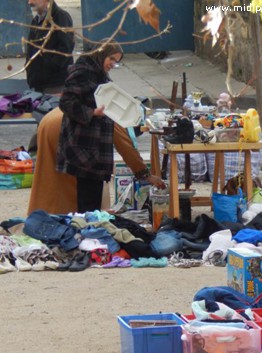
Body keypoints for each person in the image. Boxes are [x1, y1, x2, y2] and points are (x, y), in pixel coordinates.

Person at [56, 40, 165, 213]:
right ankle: (88, 234)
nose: (114, 64)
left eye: (117, 61)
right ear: (100, 54)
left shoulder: (99, 74)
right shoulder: (82, 73)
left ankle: (90, 231)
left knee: (92, 201)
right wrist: (92, 113)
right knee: (88, 202)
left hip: (95, 149)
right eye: (112, 59)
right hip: (84, 147)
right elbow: (66, 102)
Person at [28, 107, 165, 215]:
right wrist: (145, 174)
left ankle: (44, 217)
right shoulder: (108, 113)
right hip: (70, 127)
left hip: (50, 120)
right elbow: (125, 147)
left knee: (52, 177)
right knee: (81, 191)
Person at [26, 0, 75, 94]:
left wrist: (51, 67)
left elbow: (65, 48)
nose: (29, 2)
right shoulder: (36, 20)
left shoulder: (61, 17)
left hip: (55, 84)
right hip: (37, 83)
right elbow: (31, 47)